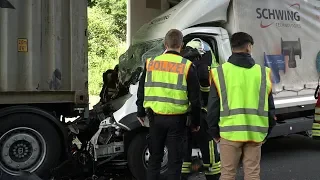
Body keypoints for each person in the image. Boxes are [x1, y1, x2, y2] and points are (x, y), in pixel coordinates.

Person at [206, 32, 276, 180]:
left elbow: (212, 108)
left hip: (229, 134)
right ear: (249, 47)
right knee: (252, 174)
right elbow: (270, 109)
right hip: (255, 133)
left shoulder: (219, 72)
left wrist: (215, 133)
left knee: (227, 174)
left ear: (232, 48)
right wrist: (266, 132)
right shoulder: (263, 73)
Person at [136, 29, 202, 180]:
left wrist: (140, 111)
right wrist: (195, 122)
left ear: (165, 44)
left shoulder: (150, 63)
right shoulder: (187, 66)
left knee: (155, 160)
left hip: (155, 119)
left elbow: (142, 90)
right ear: (181, 45)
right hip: (177, 121)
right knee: (174, 162)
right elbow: (195, 100)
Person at [180, 46, 221, 180]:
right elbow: (206, 94)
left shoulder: (182, 68)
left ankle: (183, 173)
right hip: (202, 115)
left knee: (185, 146)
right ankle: (212, 174)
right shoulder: (203, 68)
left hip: (185, 114)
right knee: (208, 146)